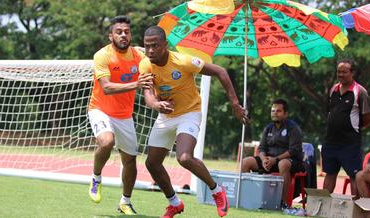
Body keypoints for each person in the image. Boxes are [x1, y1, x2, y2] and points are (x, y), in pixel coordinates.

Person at [139, 26, 249, 218]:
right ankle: (174, 203)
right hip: (165, 115)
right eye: (147, 46)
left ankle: (217, 191)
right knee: (152, 163)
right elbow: (148, 95)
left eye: (155, 46)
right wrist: (157, 105)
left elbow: (221, 71)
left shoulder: (183, 61)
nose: (150, 51)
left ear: (165, 45)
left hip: (189, 113)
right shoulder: (145, 64)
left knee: (184, 158)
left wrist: (235, 103)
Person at [87, 15, 153, 215]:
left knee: (130, 161)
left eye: (127, 31)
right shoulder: (102, 56)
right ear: (111, 36)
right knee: (106, 142)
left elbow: (150, 79)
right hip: (100, 109)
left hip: (125, 116)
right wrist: (136, 84)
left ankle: (125, 201)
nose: (123, 35)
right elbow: (106, 87)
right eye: (119, 32)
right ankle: (96, 178)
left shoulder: (140, 57)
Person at [322, 59, 370, 195]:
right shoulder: (333, 89)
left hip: (350, 143)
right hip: (331, 141)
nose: (340, 74)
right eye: (338, 72)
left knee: (354, 175)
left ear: (352, 73)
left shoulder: (360, 91)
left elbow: (369, 118)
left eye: (344, 72)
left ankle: (356, 210)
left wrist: (355, 129)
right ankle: (322, 208)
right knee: (330, 173)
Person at [241, 99, 304, 208]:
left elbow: (294, 150)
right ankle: (247, 198)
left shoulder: (293, 128)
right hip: (270, 161)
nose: (275, 113)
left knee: (283, 164)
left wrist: (276, 159)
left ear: (285, 114)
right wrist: (264, 159)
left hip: (291, 161)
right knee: (246, 162)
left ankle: (282, 203)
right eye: (273, 111)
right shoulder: (268, 128)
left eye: (278, 111)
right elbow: (261, 148)